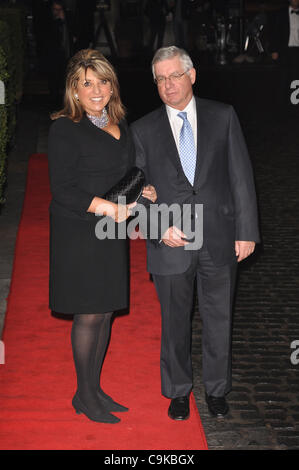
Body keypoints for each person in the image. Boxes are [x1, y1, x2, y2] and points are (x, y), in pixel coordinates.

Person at [131, 46, 260, 420]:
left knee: (220, 318)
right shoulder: (142, 129)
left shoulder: (223, 116)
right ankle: (177, 391)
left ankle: (217, 390)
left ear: (191, 75)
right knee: (174, 321)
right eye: (160, 79)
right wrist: (156, 226)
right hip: (170, 241)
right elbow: (135, 190)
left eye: (174, 75)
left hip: (220, 236)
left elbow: (241, 177)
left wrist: (247, 230)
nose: (168, 85)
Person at [48, 48, 155, 424]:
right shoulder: (64, 127)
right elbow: (64, 189)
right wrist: (108, 208)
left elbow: (120, 176)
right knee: (89, 314)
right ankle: (84, 394)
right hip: (79, 230)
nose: (96, 90)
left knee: (106, 310)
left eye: (102, 82)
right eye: (86, 83)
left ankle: (93, 389)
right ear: (74, 90)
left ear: (112, 86)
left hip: (111, 230)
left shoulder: (120, 124)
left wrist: (141, 192)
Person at [45, 0, 75, 108]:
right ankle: (54, 105)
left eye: (59, 10)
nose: (57, 12)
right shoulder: (50, 22)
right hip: (54, 57)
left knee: (66, 80)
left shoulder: (68, 19)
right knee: (54, 82)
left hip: (67, 55)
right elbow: (50, 38)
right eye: (55, 10)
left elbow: (72, 32)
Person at [269, 0, 299, 107]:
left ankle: (295, 102)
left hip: (297, 50)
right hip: (284, 50)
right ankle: (279, 104)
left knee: (296, 77)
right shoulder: (281, 13)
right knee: (282, 76)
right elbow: (275, 32)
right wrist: (274, 50)